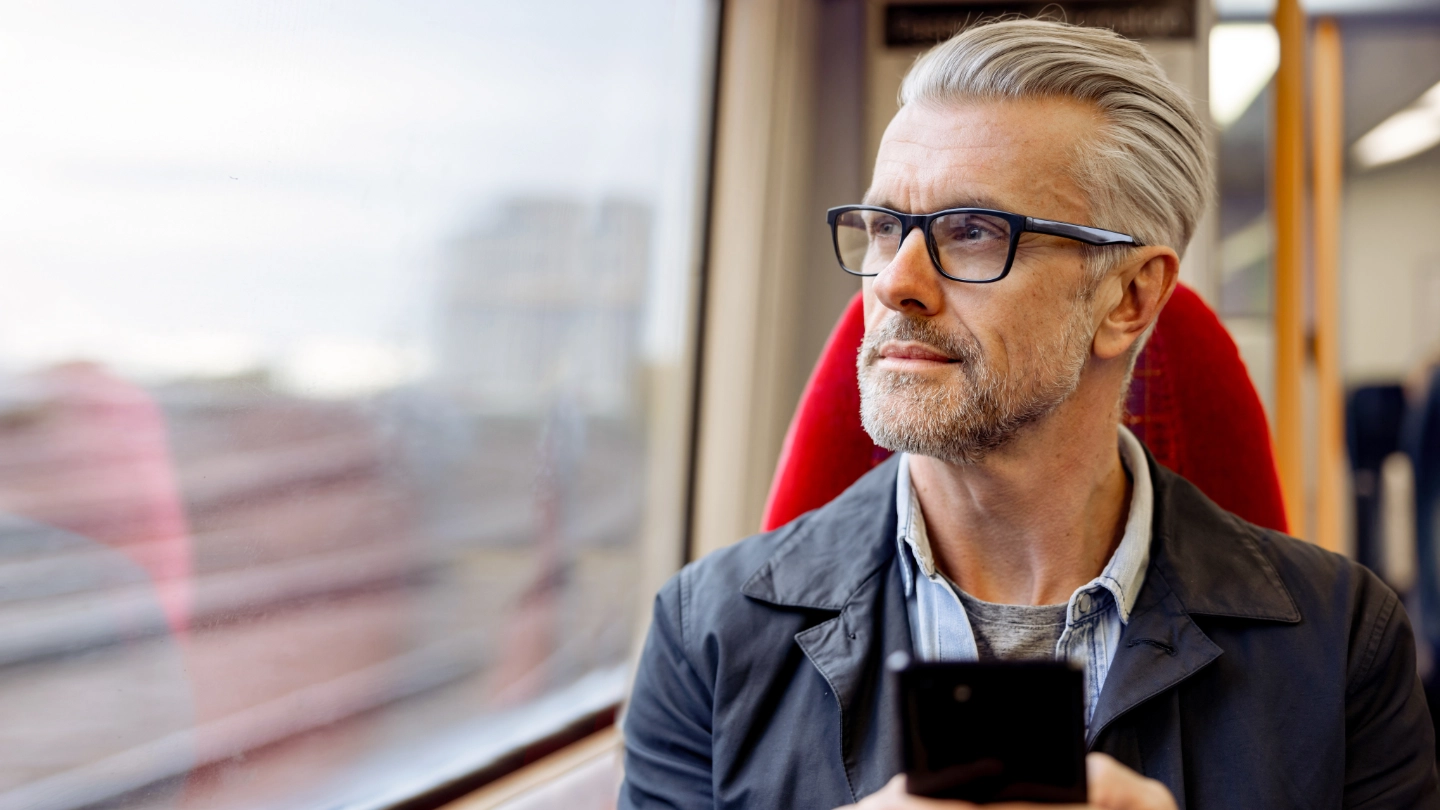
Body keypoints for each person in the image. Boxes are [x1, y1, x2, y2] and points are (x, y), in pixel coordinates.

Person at [619, 18, 1438, 810]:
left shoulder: (1344, 647)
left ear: (1129, 297)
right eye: (882, 228)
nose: (895, 284)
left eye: (972, 232)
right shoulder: (708, 636)